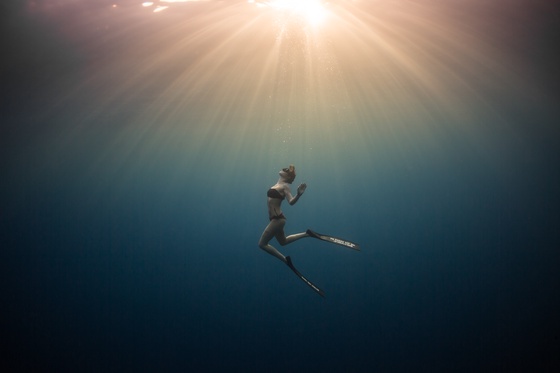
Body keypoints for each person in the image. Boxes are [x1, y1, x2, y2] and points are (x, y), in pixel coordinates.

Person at [258, 164, 308, 264]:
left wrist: (298, 194)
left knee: (262, 244)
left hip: (278, 219)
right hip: (276, 219)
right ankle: (307, 234)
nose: (284, 169)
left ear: (288, 177)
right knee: (283, 242)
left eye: (286, 170)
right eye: (285, 169)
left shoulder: (285, 186)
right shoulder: (277, 185)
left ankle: (285, 260)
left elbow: (291, 202)